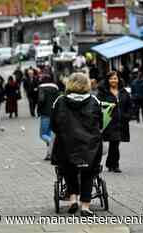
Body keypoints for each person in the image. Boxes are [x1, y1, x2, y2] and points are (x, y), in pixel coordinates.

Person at [51, 72, 103, 216]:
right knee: (88, 173)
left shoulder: (60, 101)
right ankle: (85, 206)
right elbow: (101, 123)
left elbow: (54, 125)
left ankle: (73, 200)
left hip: (66, 144)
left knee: (69, 170)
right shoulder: (94, 101)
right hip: (89, 145)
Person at [97, 71, 131, 173]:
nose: (113, 80)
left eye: (115, 78)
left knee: (115, 143)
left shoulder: (123, 92)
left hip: (121, 122)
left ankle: (112, 164)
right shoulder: (103, 92)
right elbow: (98, 104)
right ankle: (113, 164)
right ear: (107, 80)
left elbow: (130, 105)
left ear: (119, 80)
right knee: (114, 142)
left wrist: (127, 115)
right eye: (111, 78)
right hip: (109, 121)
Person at [37, 74, 59, 160]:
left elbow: (41, 100)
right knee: (50, 133)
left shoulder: (42, 88)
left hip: (45, 114)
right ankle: (49, 154)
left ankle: (53, 145)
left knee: (43, 135)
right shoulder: (55, 88)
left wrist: (38, 109)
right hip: (54, 113)